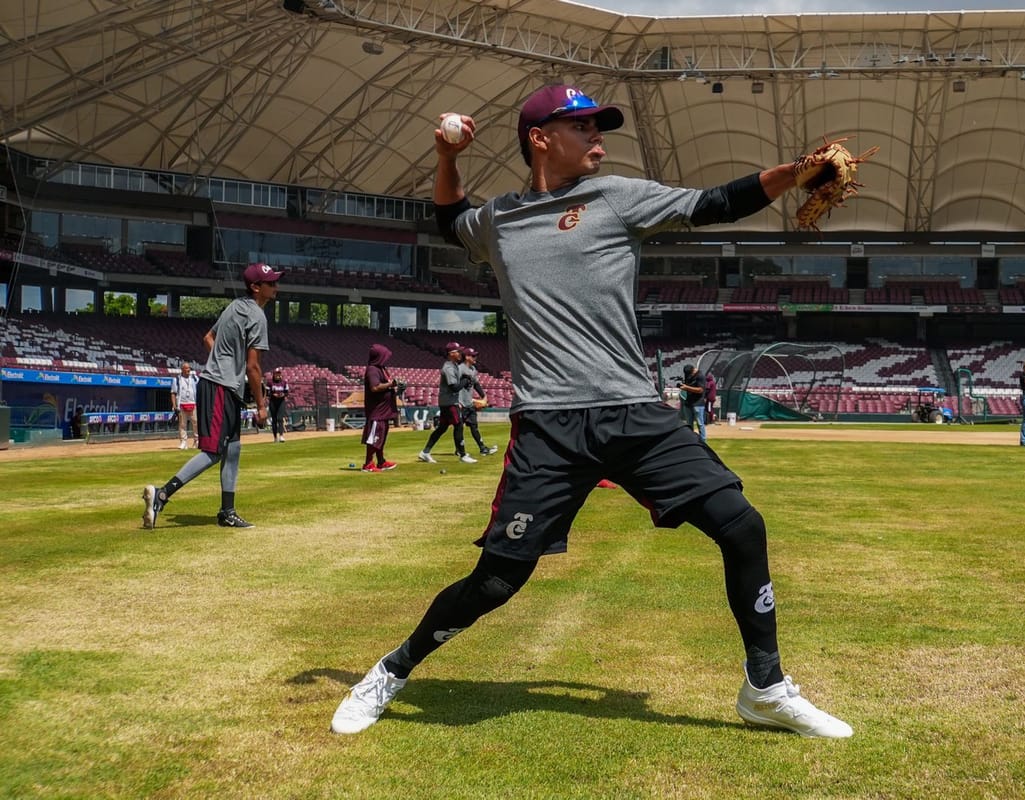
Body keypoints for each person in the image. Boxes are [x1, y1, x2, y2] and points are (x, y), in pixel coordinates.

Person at [331, 84, 854, 739]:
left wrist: (798, 171)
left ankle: (767, 688)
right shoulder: (500, 219)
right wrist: (446, 156)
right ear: (540, 138)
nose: (599, 139)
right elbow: (450, 218)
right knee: (497, 582)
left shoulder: (618, 196)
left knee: (741, 525)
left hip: (633, 412)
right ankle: (391, 670)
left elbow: (715, 203)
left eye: (599, 127)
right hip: (549, 426)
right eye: (583, 127)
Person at [141, 263, 282, 530]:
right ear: (256, 287)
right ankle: (161, 495)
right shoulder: (258, 316)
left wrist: (223, 362)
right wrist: (262, 405)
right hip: (221, 387)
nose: (276, 287)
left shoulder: (234, 307)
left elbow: (208, 338)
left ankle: (227, 512)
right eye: (271, 283)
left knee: (233, 451)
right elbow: (253, 366)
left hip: (220, 384)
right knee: (213, 451)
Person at [417, 342, 475, 464]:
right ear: (451, 354)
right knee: (458, 425)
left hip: (448, 401)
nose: (460, 353)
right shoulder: (448, 367)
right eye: (458, 351)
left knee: (442, 428)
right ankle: (462, 454)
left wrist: (465, 379)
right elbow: (453, 387)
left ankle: (425, 452)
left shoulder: (453, 366)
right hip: (449, 402)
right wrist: (465, 381)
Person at [360, 343, 401, 472]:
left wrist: (396, 387)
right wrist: (390, 384)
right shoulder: (372, 369)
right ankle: (367, 464)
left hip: (384, 410)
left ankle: (381, 461)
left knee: (380, 437)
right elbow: (375, 387)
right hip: (377, 411)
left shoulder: (382, 368)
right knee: (374, 438)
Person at [458, 347, 499, 456]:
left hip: (469, 403)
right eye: (473, 356)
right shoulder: (460, 369)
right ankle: (459, 450)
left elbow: (476, 384)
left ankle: (482, 448)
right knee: (459, 428)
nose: (475, 357)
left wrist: (484, 396)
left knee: (474, 426)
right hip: (460, 403)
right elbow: (453, 386)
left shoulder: (473, 370)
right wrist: (456, 401)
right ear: (467, 357)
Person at [172, 361, 200, 450]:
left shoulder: (195, 378)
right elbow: (173, 393)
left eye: (189, 368)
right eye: (186, 368)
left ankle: (197, 440)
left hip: (193, 403)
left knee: (195, 423)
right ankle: (183, 442)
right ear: (182, 369)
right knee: (182, 424)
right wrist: (175, 406)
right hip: (182, 404)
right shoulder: (177, 379)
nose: (188, 370)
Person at [677, 364, 708, 442]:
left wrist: (686, 387)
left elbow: (700, 390)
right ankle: (691, 440)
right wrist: (682, 385)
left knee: (700, 424)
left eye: (689, 374)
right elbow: (688, 386)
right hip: (688, 402)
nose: (688, 375)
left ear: (693, 370)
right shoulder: (689, 375)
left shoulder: (700, 376)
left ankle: (703, 441)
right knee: (689, 424)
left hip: (698, 403)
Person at [266, 367, 290, 443]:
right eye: (276, 374)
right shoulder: (270, 382)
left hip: (281, 402)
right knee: (274, 420)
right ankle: (275, 437)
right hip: (273, 402)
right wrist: (273, 394)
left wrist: (283, 394)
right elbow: (267, 392)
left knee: (280, 419)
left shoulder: (284, 382)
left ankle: (281, 436)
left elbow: (287, 392)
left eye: (279, 373)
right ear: (274, 374)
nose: (278, 375)